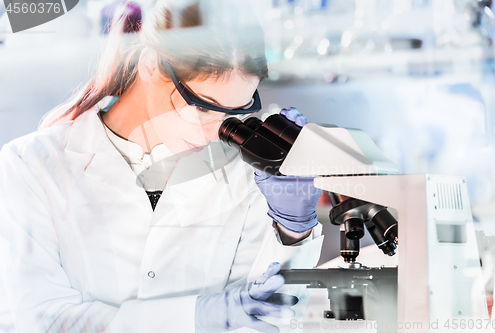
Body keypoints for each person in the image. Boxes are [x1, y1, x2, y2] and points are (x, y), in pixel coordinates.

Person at [0, 1, 323, 332]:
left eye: (232, 114)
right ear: (151, 65)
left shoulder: (246, 175)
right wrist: (196, 316)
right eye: (203, 108)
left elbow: (269, 316)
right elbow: (45, 320)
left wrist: (293, 230)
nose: (214, 131)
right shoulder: (29, 166)